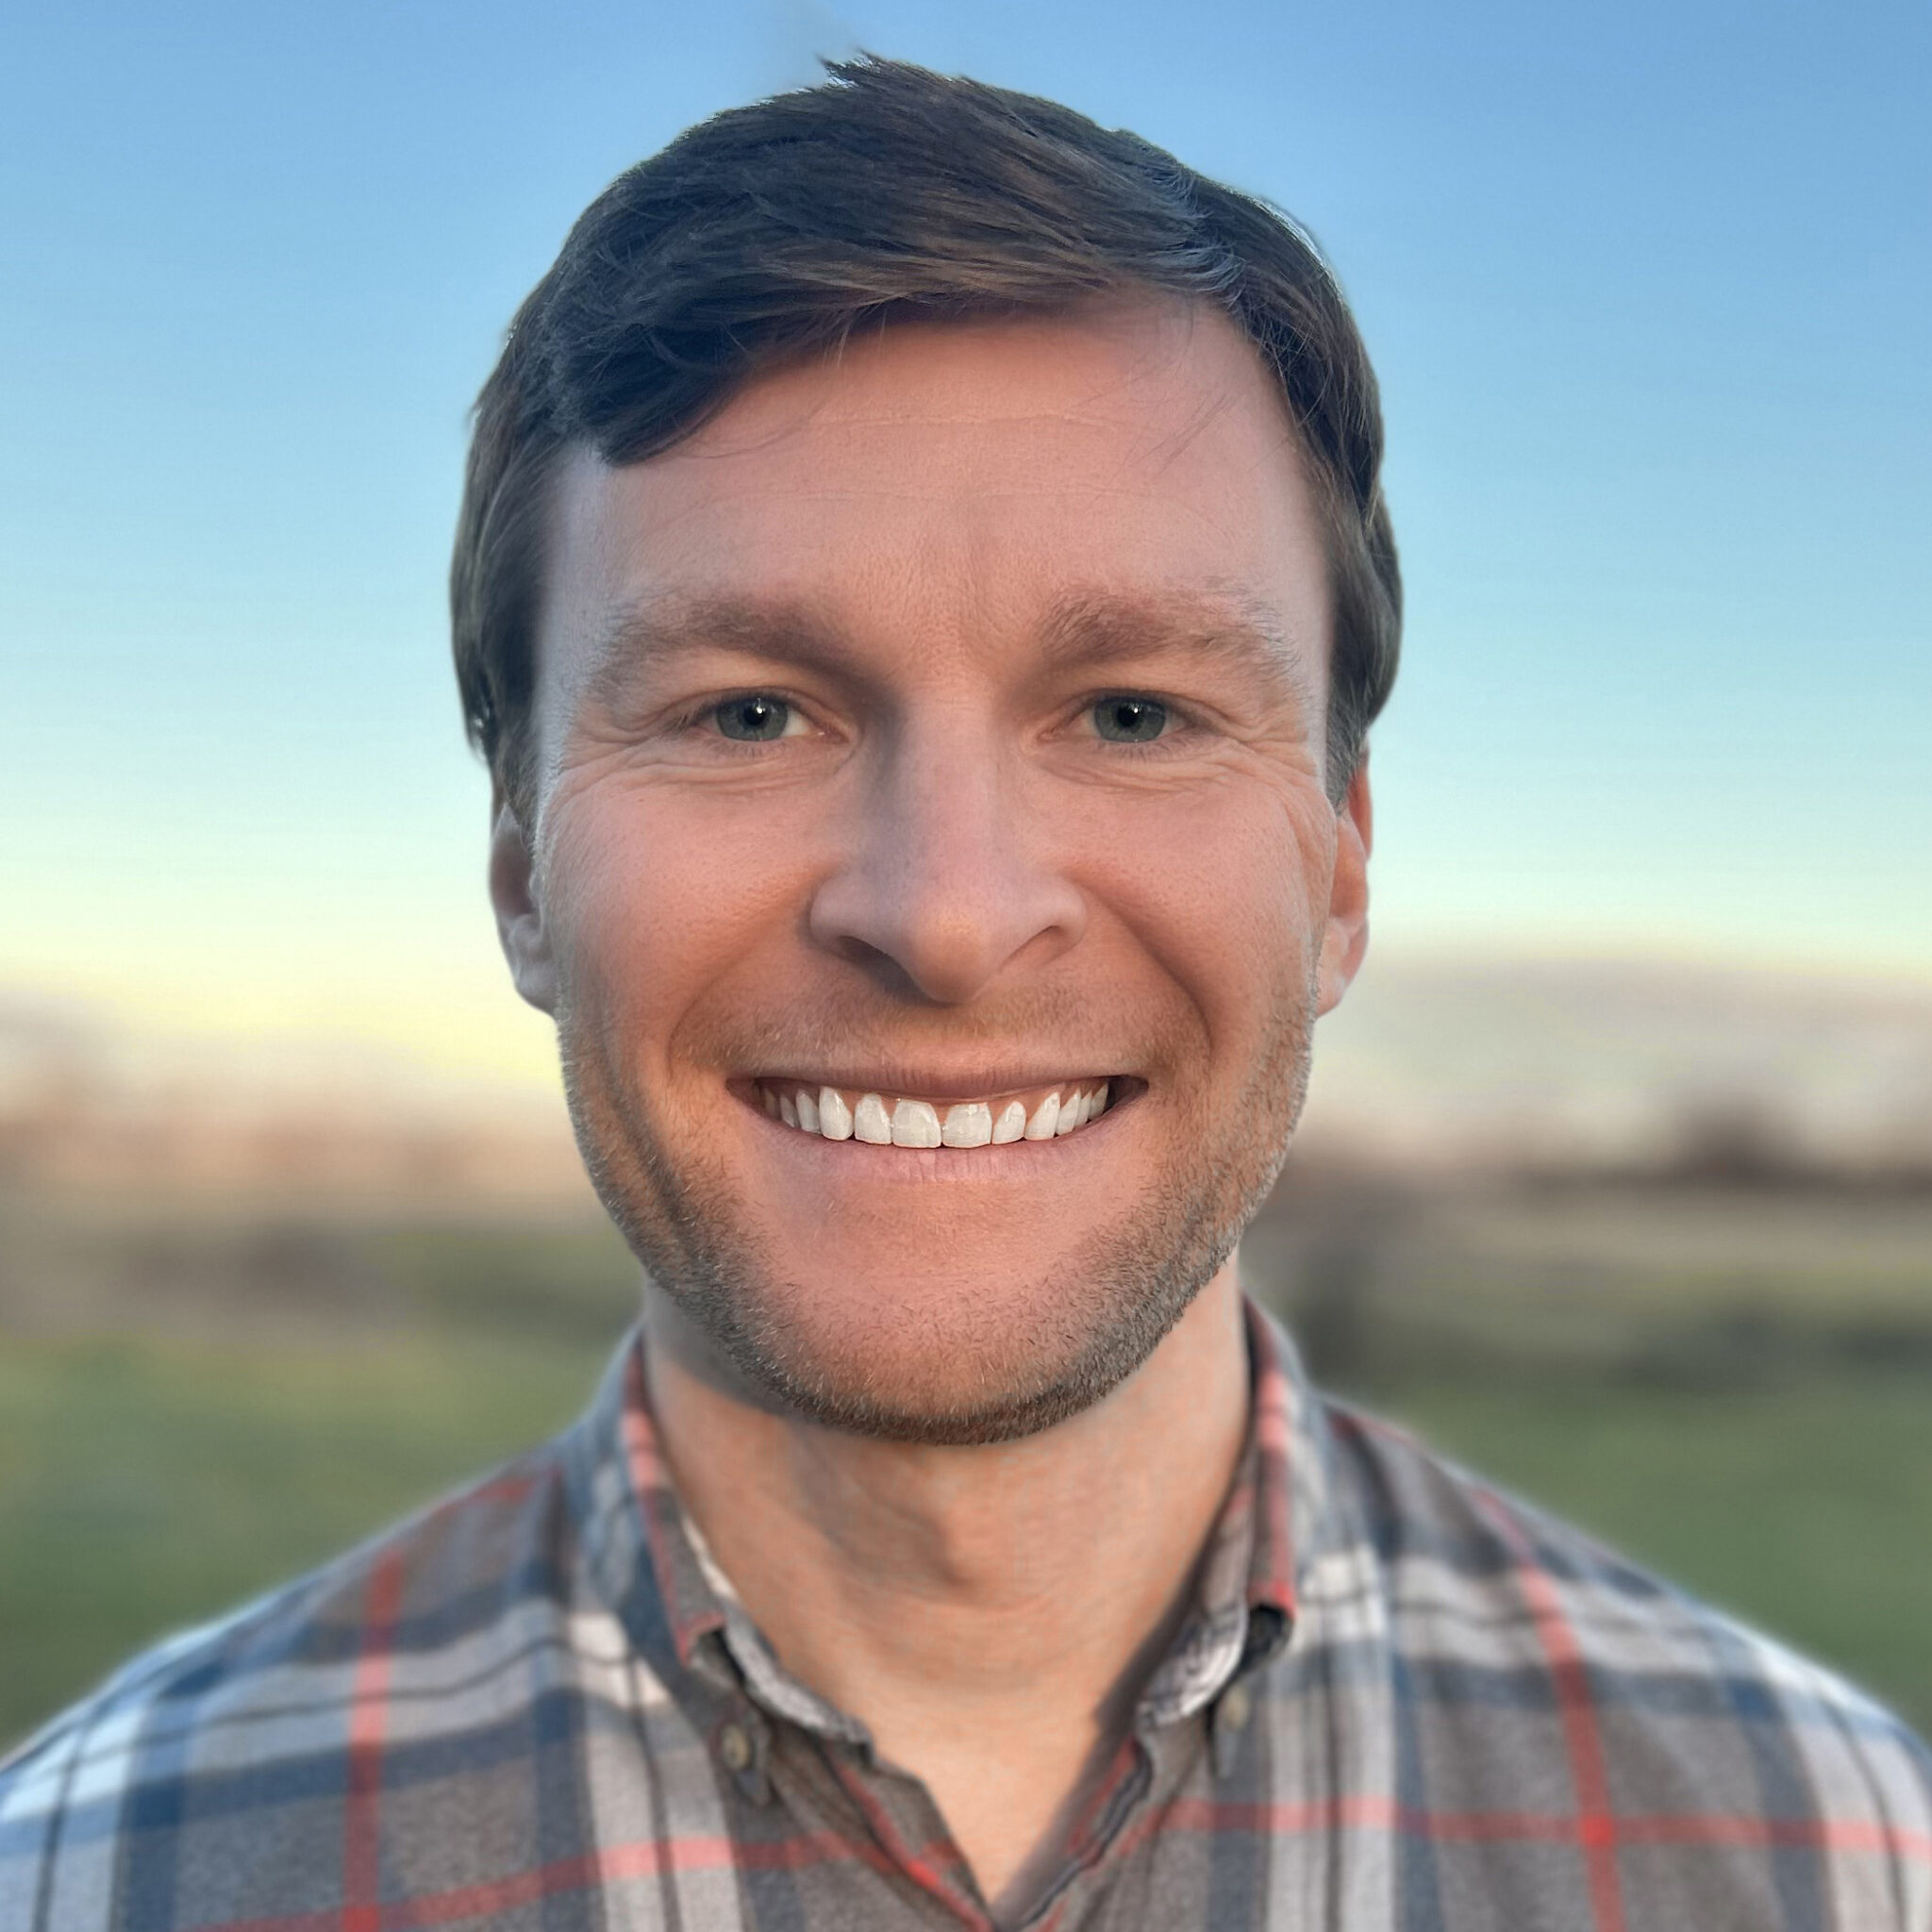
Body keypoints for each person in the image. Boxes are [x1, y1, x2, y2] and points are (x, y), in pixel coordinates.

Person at [2, 58, 1926, 1932]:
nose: (944, 914)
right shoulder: (99, 1875)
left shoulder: (1828, 1855)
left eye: (1132, 714)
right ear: (522, 873)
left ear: (1338, 872)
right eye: (749, 713)